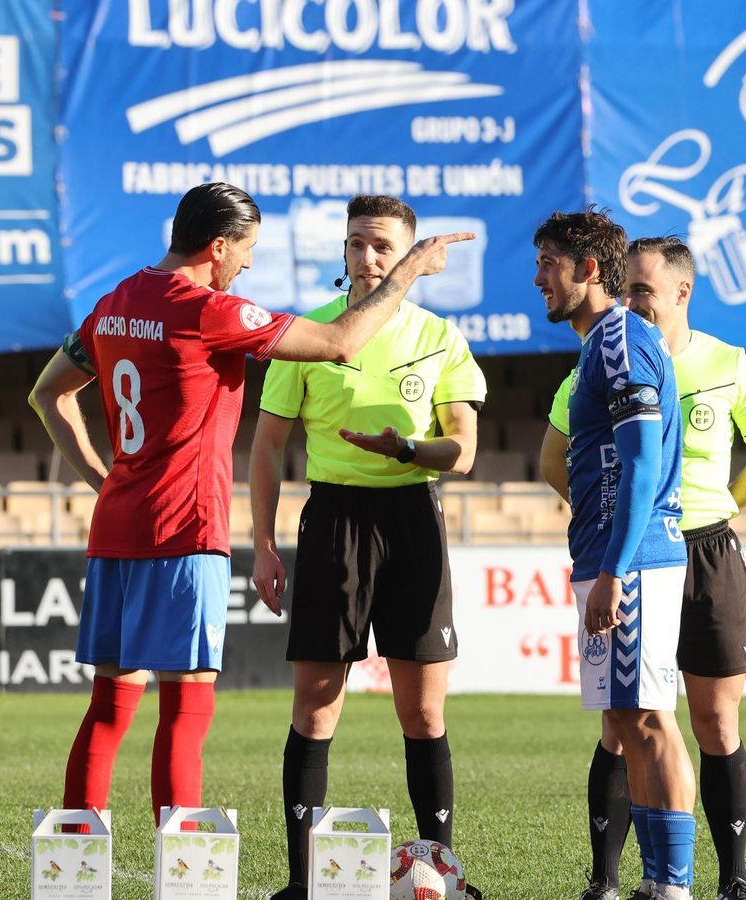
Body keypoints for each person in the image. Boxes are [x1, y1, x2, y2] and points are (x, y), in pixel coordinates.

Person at [27, 183, 473, 829]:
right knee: (186, 708)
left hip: (117, 526)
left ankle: (71, 861)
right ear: (217, 246)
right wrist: (406, 269)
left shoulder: (115, 301)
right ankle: (179, 876)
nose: (248, 264)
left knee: (108, 706)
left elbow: (48, 396)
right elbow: (342, 342)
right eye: (247, 249)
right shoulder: (208, 309)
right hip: (184, 526)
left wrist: (105, 481)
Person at [247, 195, 487, 900]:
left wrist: (407, 448)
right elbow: (266, 447)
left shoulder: (441, 336)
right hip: (334, 524)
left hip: (413, 517)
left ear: (410, 256)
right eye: (357, 244)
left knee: (423, 712)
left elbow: (464, 450)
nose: (368, 258)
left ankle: (440, 872)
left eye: (383, 246)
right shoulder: (308, 333)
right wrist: (262, 544)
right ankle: (301, 880)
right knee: (316, 708)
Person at [541, 237, 746, 900]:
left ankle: (728, 877)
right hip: (633, 548)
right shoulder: (599, 358)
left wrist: (724, 506)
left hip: (701, 549)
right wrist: (604, 515)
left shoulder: (726, 363)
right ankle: (610, 877)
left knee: (710, 720)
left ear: (683, 293)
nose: (632, 303)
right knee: (624, 719)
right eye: (627, 290)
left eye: (645, 291)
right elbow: (554, 458)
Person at [534, 209, 696, 900]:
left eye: (548, 263)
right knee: (631, 721)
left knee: (652, 719)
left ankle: (673, 886)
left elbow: (639, 462)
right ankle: (663, 885)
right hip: (615, 557)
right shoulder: (601, 343)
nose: (538, 278)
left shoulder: (620, 341)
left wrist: (615, 570)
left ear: (588, 269)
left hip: (635, 561)